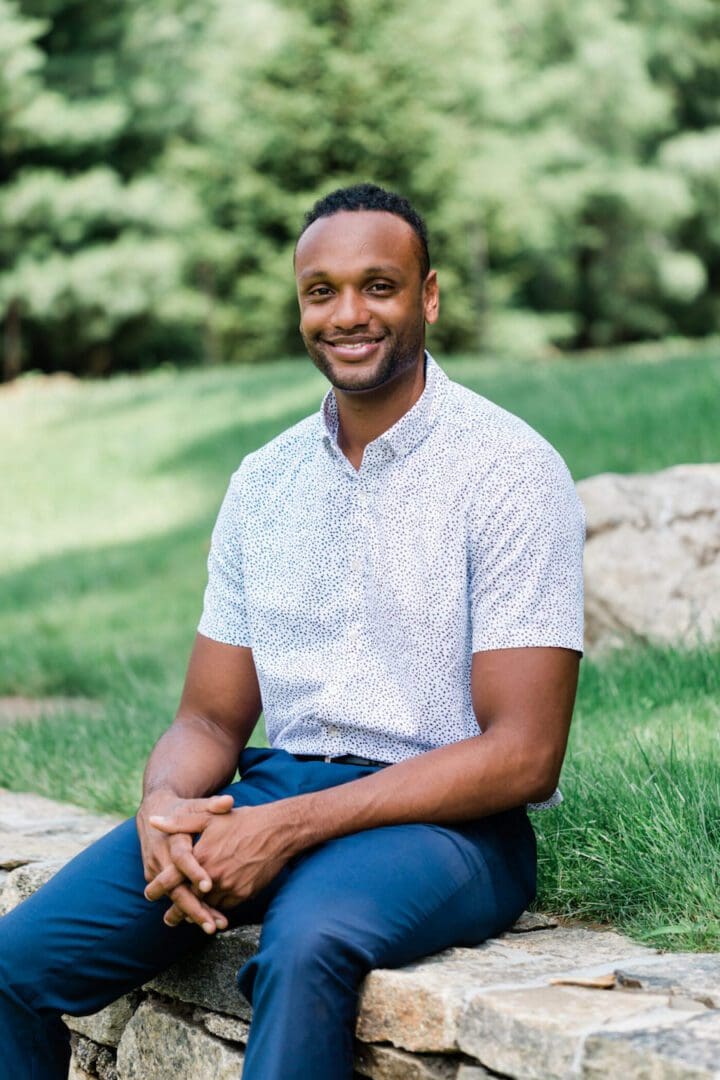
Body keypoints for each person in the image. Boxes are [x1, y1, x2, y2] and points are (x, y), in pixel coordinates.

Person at [0, 183, 584, 1080]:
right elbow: (208, 721)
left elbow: (522, 755)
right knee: (14, 964)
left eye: (378, 286)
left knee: (307, 947)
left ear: (428, 296)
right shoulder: (263, 482)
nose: (348, 314)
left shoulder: (509, 471)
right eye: (322, 291)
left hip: (450, 828)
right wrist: (165, 808)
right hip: (272, 790)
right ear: (301, 305)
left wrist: (292, 830)